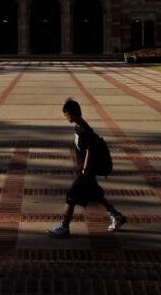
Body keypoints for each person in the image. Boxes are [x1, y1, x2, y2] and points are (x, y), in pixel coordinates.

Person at [48, 98, 126, 238]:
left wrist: (84, 170)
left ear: (71, 114)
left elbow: (90, 150)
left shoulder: (85, 130)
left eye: (66, 114)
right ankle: (116, 215)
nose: (66, 117)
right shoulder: (79, 126)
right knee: (96, 195)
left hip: (86, 172)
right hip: (84, 170)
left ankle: (64, 227)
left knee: (71, 196)